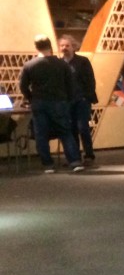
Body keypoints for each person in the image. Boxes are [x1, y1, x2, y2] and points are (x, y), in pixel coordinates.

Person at [18, 35, 84, 173]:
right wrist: (67, 100)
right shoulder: (62, 64)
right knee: (65, 132)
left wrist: (31, 98)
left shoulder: (29, 65)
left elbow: (23, 86)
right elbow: (70, 85)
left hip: (39, 103)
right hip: (59, 102)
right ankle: (75, 162)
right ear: (50, 46)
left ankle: (48, 164)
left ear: (36, 47)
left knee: (41, 135)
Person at [58, 35, 98, 166]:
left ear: (73, 47)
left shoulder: (83, 61)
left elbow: (90, 80)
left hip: (82, 100)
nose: (64, 48)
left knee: (83, 127)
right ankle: (75, 157)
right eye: (62, 46)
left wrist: (87, 96)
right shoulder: (59, 64)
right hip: (67, 101)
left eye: (67, 45)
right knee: (71, 129)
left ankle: (89, 155)